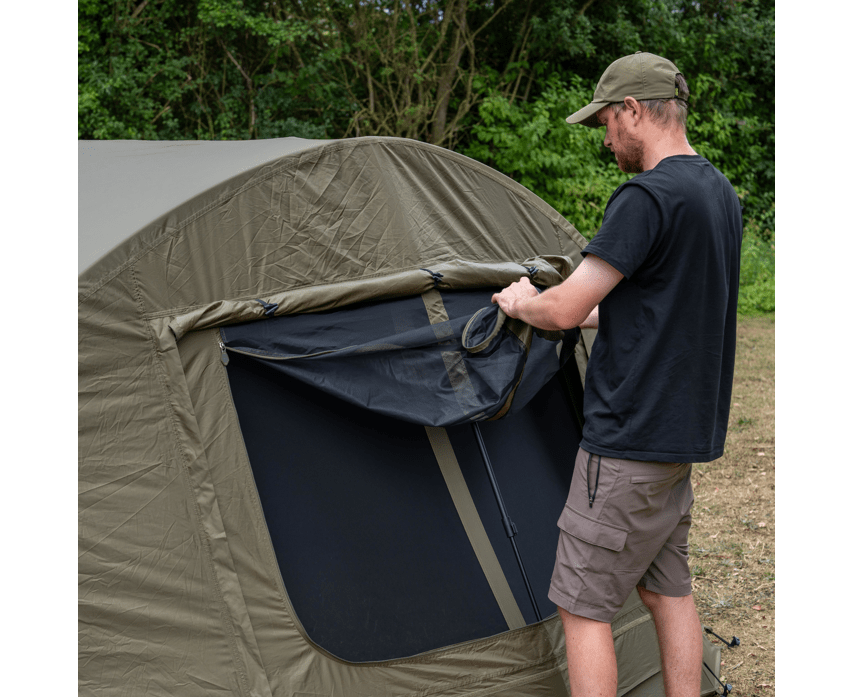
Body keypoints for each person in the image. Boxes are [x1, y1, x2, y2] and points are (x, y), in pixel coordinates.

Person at [491, 52, 742, 697]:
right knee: (668, 591)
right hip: (680, 440)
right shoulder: (717, 192)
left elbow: (564, 309)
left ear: (633, 110)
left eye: (606, 122)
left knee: (582, 607)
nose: (605, 140)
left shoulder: (645, 196)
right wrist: (573, 308)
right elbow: (658, 304)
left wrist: (523, 303)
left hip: (629, 440)